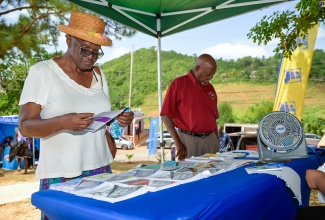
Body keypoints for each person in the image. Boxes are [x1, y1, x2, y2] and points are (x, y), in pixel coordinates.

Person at [18, 11, 134, 217]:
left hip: (100, 169)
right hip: (62, 174)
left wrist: (118, 118)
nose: (90, 57)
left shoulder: (98, 74)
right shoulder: (43, 72)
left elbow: (102, 119)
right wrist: (62, 123)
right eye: (85, 50)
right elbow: (25, 126)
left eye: (96, 52)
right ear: (68, 40)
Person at [160, 54, 220, 161]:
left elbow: (213, 117)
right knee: (191, 174)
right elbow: (165, 115)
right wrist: (178, 143)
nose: (210, 77)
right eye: (208, 74)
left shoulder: (210, 88)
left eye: (213, 74)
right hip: (189, 141)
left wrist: (216, 140)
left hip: (211, 140)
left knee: (214, 174)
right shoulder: (178, 84)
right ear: (197, 68)